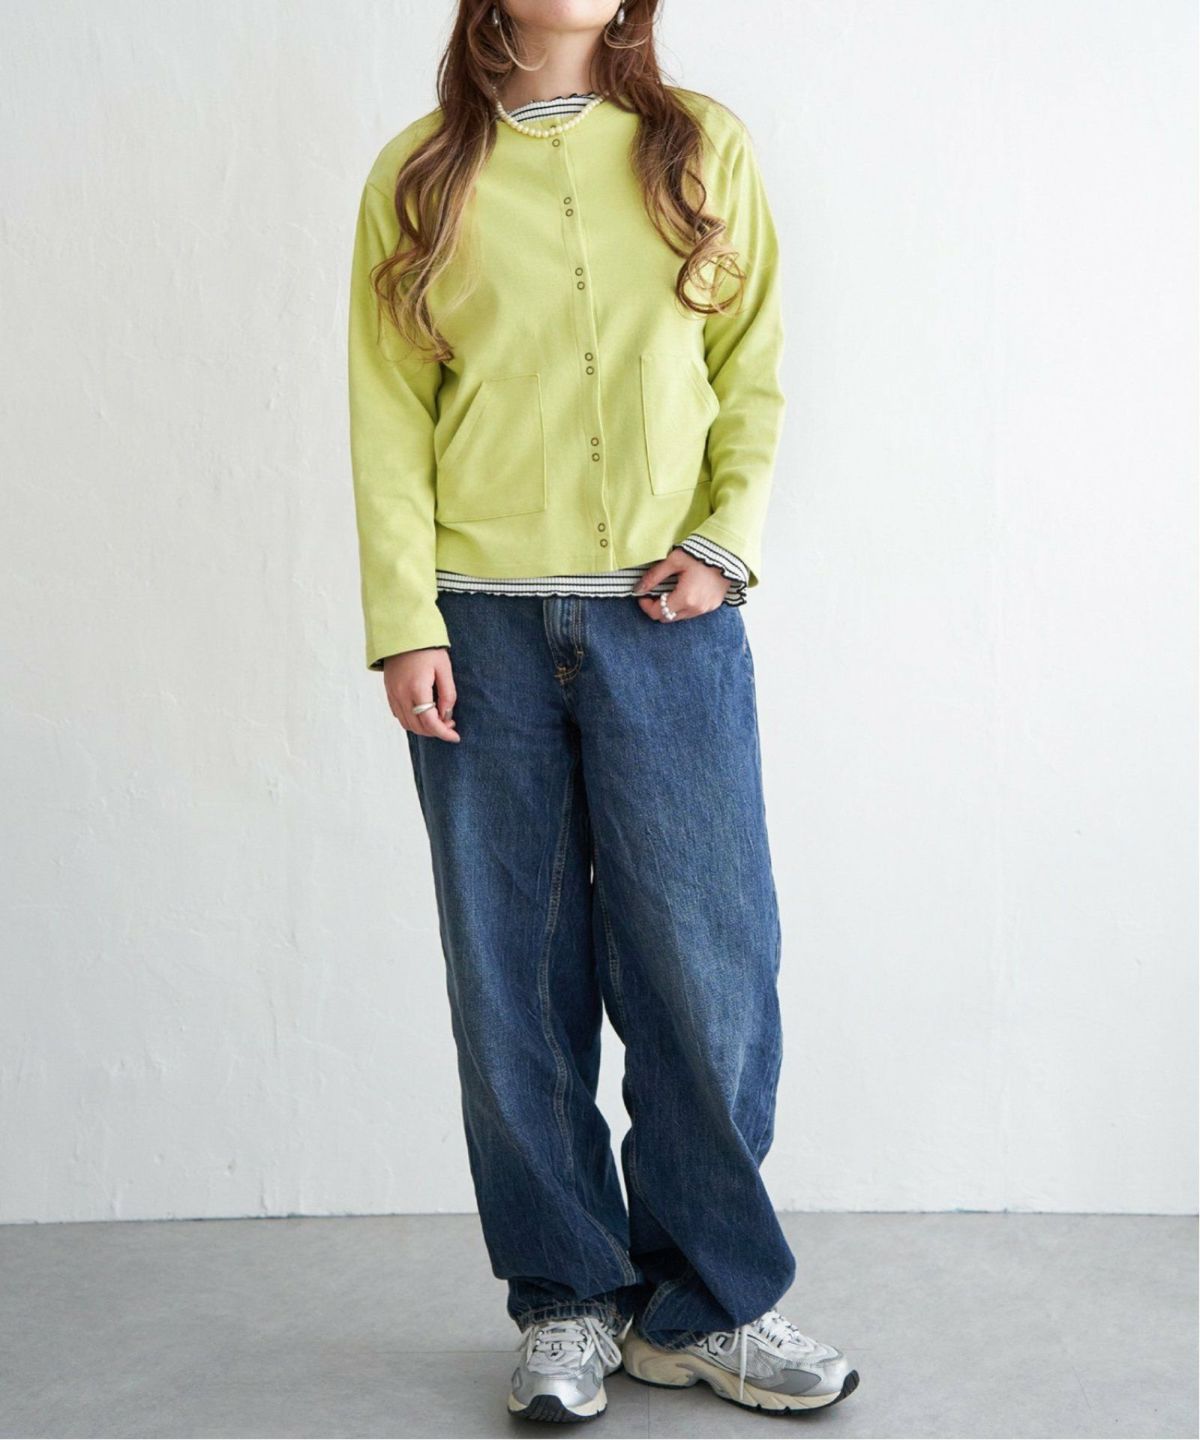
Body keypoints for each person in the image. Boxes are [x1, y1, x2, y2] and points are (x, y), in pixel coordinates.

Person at [347, 0, 859, 1422]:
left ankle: (702, 1306)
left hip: (668, 617)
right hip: (480, 630)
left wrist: (723, 540)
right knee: (513, 977)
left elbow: (751, 367)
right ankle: (566, 1300)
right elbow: (387, 410)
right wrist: (403, 617)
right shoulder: (420, 174)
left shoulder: (702, 150)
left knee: (708, 970)